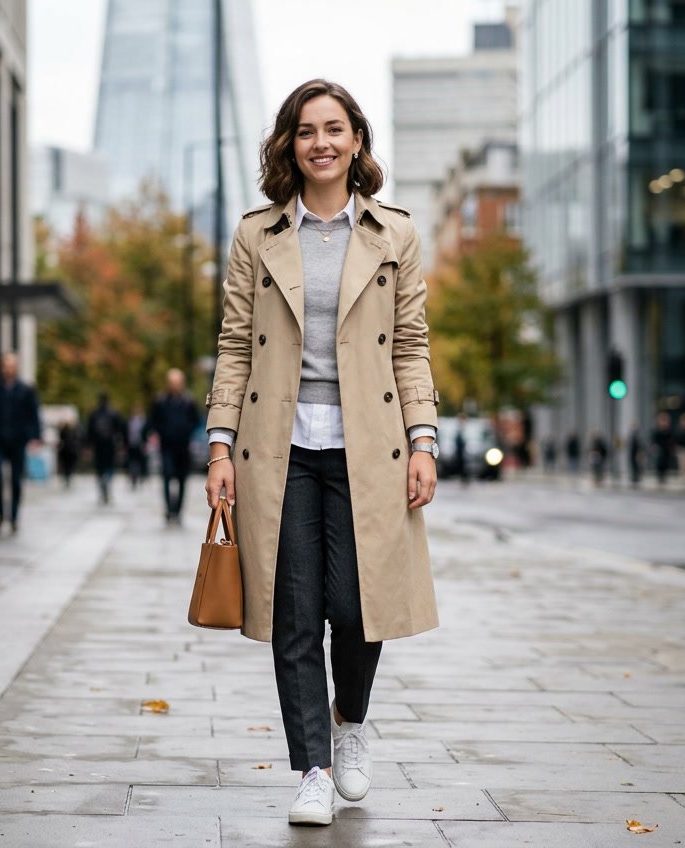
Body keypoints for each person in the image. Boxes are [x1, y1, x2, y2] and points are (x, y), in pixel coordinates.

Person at [204, 80, 439, 827]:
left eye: (335, 129)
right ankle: (312, 767)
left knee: (358, 603)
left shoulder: (393, 234)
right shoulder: (258, 235)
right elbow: (236, 344)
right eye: (307, 132)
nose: (322, 143)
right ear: (290, 146)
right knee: (295, 612)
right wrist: (217, 446)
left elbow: (409, 345)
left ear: (358, 142)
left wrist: (424, 440)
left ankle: (350, 725)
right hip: (277, 448)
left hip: (369, 445)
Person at [0, 352, 41, 534]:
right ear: (1, 367)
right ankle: (0, 513)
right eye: (6, 365)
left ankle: (14, 516)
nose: (9, 368)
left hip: (18, 441)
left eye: (12, 365)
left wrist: (35, 438)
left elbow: (33, 415)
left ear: (16, 367)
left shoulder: (25, 390)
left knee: (16, 480)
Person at [149, 368, 199, 525]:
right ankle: (169, 509)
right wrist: (161, 432)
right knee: (167, 476)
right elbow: (153, 421)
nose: (175, 386)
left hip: (183, 447)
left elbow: (196, 421)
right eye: (172, 382)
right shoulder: (161, 401)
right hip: (167, 447)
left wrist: (186, 431)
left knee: (182, 480)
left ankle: (177, 511)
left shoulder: (188, 402)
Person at [86, 394, 126, 504]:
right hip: (110, 445)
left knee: (99, 468)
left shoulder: (94, 414)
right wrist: (121, 444)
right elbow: (121, 430)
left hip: (98, 445)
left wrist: (88, 446)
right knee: (110, 466)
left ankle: (102, 483)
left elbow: (89, 432)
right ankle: (107, 481)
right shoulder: (114, 413)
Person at [125, 404, 148, 490]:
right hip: (131, 445)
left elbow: (146, 433)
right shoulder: (129, 421)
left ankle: (141, 477)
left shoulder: (143, 421)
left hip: (140, 445)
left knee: (140, 463)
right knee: (132, 463)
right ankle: (133, 478)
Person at [652, 411, 675, 487]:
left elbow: (671, 440)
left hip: (666, 450)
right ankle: (660, 477)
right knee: (659, 464)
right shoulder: (657, 430)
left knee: (666, 464)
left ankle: (664, 477)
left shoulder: (669, 431)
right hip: (659, 450)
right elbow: (653, 440)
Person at [56, 420, 80, 489]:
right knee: (67, 465)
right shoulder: (65, 431)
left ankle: (68, 477)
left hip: (69, 451)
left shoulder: (73, 431)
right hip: (67, 451)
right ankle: (67, 477)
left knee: (68, 465)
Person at [627, 423, 643, 487]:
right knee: (633, 466)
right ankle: (634, 479)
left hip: (636, 453)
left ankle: (636, 479)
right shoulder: (631, 435)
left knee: (636, 466)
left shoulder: (637, 435)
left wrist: (639, 453)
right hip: (632, 453)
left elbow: (639, 445)